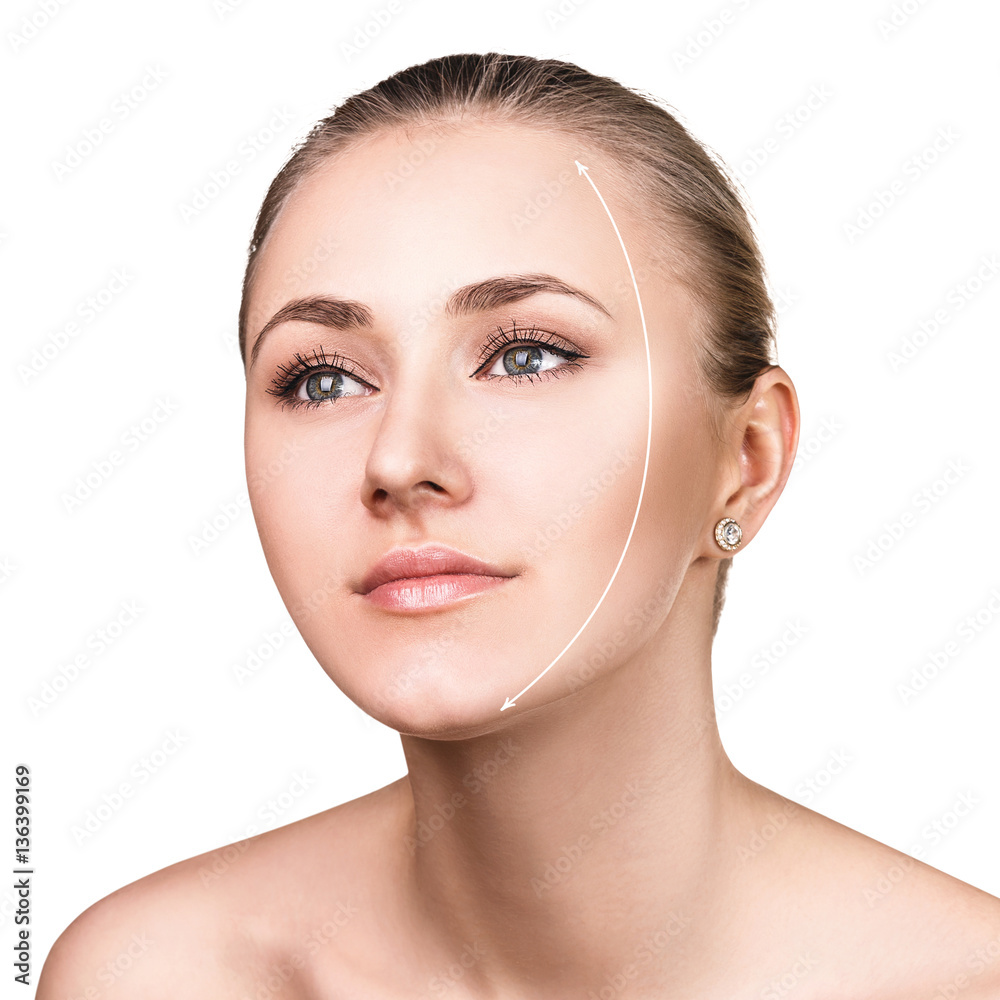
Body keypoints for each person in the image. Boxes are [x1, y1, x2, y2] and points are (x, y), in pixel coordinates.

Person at [38, 52, 1000, 1000]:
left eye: (527, 356)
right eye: (323, 379)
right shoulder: (153, 978)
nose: (398, 459)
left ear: (746, 460)